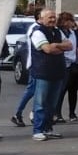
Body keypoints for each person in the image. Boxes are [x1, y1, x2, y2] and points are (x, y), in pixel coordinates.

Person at [28, 8, 70, 142]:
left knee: (52, 103)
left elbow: (70, 46)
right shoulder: (37, 32)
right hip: (42, 72)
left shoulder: (57, 32)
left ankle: (48, 129)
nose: (52, 20)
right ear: (41, 19)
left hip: (57, 72)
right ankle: (38, 130)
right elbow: (47, 49)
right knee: (40, 103)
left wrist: (56, 45)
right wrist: (57, 48)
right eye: (49, 17)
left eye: (54, 17)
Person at [54, 11, 78, 123]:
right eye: (69, 21)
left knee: (73, 90)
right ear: (63, 22)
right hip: (63, 65)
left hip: (75, 64)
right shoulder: (58, 33)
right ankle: (57, 113)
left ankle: (72, 113)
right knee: (61, 90)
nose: (71, 23)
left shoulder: (74, 32)